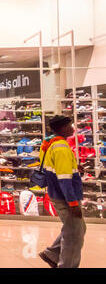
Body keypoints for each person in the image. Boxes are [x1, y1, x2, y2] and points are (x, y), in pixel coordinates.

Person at [38, 115, 86, 268]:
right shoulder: (61, 148)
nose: (72, 128)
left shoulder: (49, 144)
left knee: (76, 228)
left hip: (56, 193)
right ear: (62, 128)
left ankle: (52, 254)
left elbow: (53, 167)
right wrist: (72, 203)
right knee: (74, 235)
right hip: (65, 197)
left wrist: (73, 166)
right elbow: (64, 179)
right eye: (70, 125)